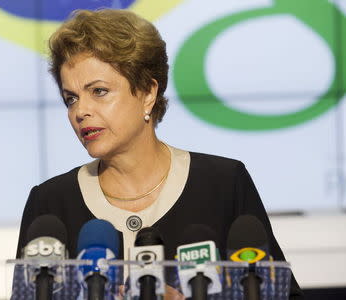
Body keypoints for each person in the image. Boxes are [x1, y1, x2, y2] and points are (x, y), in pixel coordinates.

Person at [15, 9, 304, 299]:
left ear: (148, 93)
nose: (80, 111)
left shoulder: (224, 184)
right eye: (71, 98)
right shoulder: (50, 203)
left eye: (99, 91)